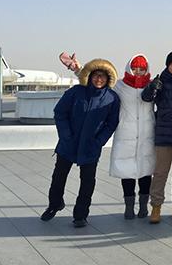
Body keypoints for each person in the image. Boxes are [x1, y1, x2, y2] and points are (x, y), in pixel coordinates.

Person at [41, 59, 120, 227]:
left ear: (108, 79)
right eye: (96, 76)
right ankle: (54, 204)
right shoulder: (75, 92)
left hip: (91, 146)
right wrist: (65, 135)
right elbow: (60, 113)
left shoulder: (112, 98)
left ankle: (80, 215)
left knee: (87, 181)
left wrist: (99, 141)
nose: (99, 79)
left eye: (103, 77)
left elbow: (111, 123)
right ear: (90, 77)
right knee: (58, 177)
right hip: (68, 144)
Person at [142, 50, 172, 224]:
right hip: (164, 136)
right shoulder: (161, 81)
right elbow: (146, 97)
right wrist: (152, 86)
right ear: (167, 66)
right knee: (160, 173)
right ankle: (155, 207)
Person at [109, 54, 156, 220]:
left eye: (142, 69)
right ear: (129, 68)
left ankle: (143, 205)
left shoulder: (152, 86)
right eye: (135, 68)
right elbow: (98, 83)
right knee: (127, 170)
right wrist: (78, 69)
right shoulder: (119, 86)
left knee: (145, 171)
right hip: (126, 133)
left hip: (147, 134)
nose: (138, 72)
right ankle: (129, 206)